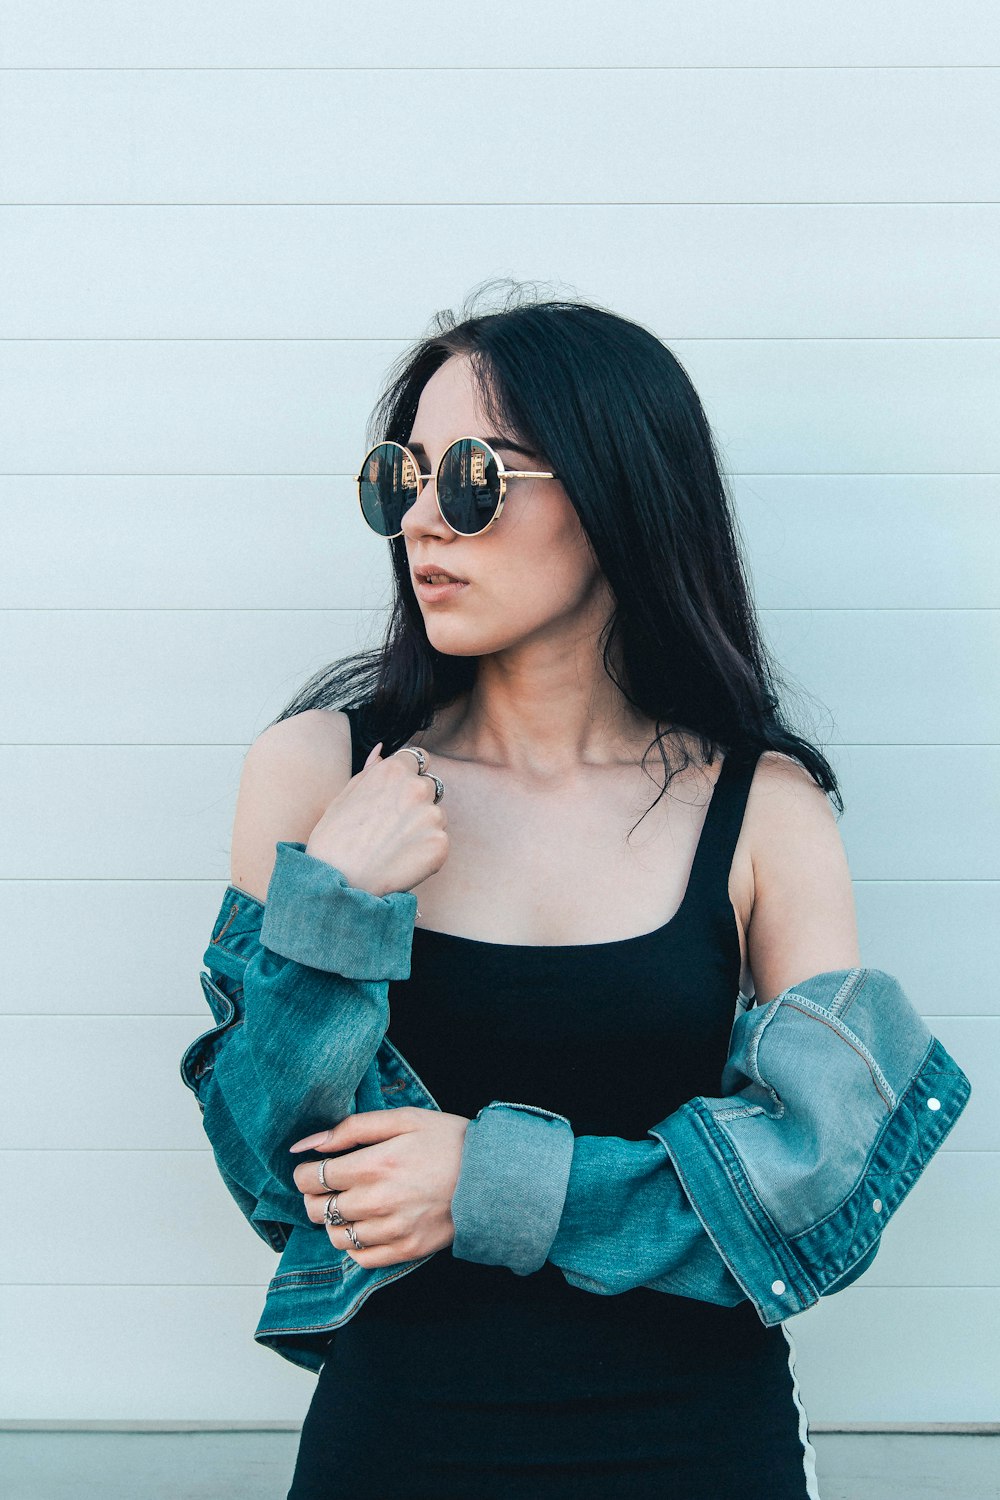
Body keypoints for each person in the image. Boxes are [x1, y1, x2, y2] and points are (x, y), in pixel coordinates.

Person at [221, 285, 865, 1498]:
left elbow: (813, 1192)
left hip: (700, 1446)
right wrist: (333, 911)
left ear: (617, 490)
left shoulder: (766, 809)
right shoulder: (318, 775)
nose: (422, 519)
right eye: (396, 479)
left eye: (471, 476)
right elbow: (273, 1169)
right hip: (399, 1443)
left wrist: (489, 1184)